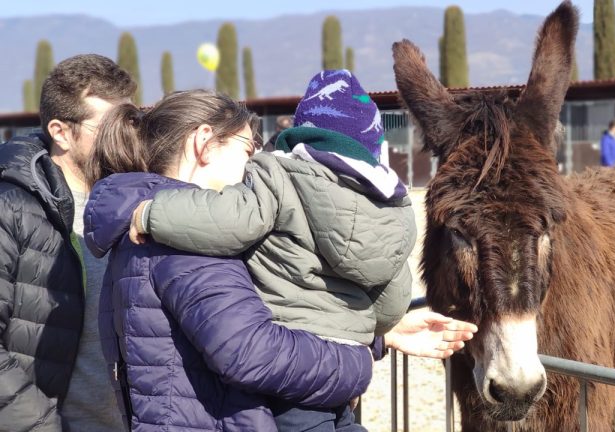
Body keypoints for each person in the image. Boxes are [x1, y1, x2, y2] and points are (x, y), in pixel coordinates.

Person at [83, 89, 476, 431]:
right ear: (203, 143)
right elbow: (251, 351)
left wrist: (380, 335)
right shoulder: (186, 239)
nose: (252, 166)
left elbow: (245, 318)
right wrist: (356, 359)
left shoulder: (151, 225)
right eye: (246, 150)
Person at [0, 54, 135, 431]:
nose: (123, 137)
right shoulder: (12, 207)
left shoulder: (135, 203)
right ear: (60, 131)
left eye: (129, 123)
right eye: (109, 127)